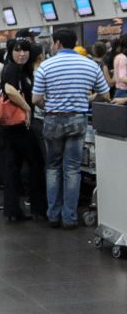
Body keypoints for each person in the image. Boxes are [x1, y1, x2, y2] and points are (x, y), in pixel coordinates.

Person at [32, 29, 110, 230]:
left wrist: (49, 106)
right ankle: (69, 218)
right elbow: (105, 94)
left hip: (52, 119)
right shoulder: (90, 64)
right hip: (77, 119)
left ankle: (53, 215)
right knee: (73, 169)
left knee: (52, 167)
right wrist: (86, 99)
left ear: (58, 43)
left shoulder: (45, 66)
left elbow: (36, 99)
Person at [0, 39, 47, 221]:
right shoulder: (11, 69)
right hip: (18, 126)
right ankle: (37, 208)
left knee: (13, 167)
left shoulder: (24, 70)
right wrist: (27, 108)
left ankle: (13, 210)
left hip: (16, 126)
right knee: (35, 164)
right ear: (11, 52)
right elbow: (9, 90)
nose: (22, 54)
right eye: (17, 51)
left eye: (25, 51)